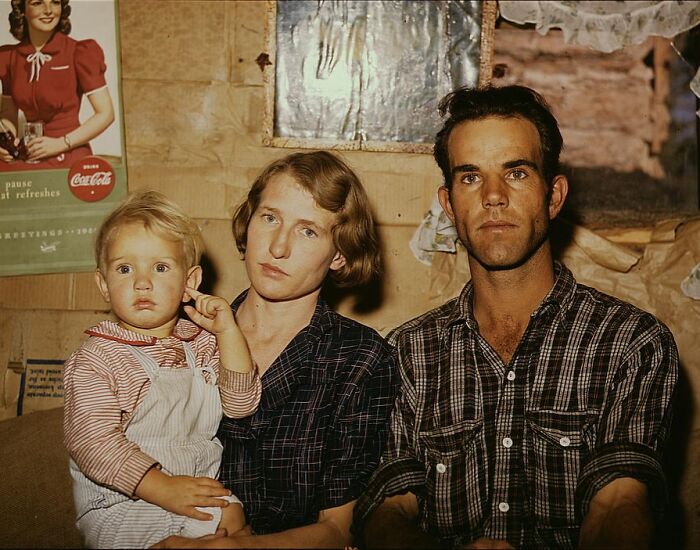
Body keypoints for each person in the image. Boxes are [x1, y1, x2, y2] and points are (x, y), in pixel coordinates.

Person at [354, 85, 679, 549]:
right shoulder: (406, 353)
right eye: (470, 177)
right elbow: (388, 511)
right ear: (448, 205)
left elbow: (619, 502)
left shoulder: (632, 343)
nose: (492, 196)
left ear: (554, 195)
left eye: (517, 173)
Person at [153, 150, 397, 548]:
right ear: (248, 223)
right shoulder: (182, 337)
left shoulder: (361, 359)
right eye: (269, 218)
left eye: (308, 231)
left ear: (339, 254)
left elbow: (338, 529)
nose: (278, 247)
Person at [63, 191, 262, 548]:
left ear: (190, 282)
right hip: (119, 503)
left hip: (185, 493)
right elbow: (91, 442)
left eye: (160, 267)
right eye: (125, 269)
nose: (142, 282)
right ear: (104, 284)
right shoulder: (99, 357)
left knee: (232, 516)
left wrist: (228, 332)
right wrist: (162, 487)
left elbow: (241, 405)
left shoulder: (200, 346)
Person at [0, 0, 114, 169]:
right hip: (29, 153)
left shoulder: (79, 52)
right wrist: (5, 142)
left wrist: (60, 143)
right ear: (22, 10)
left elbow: (106, 114)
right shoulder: (9, 57)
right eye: (38, 3)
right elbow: (9, 114)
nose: (48, 10)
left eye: (55, 2)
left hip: (69, 153)